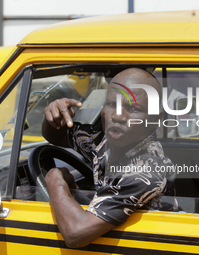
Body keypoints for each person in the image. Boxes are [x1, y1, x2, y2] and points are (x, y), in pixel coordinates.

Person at [42, 68, 175, 248]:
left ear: (155, 119)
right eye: (112, 104)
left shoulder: (146, 169)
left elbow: (75, 233)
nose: (118, 116)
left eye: (134, 108)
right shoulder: (104, 140)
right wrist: (53, 113)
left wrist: (55, 181)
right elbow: (56, 136)